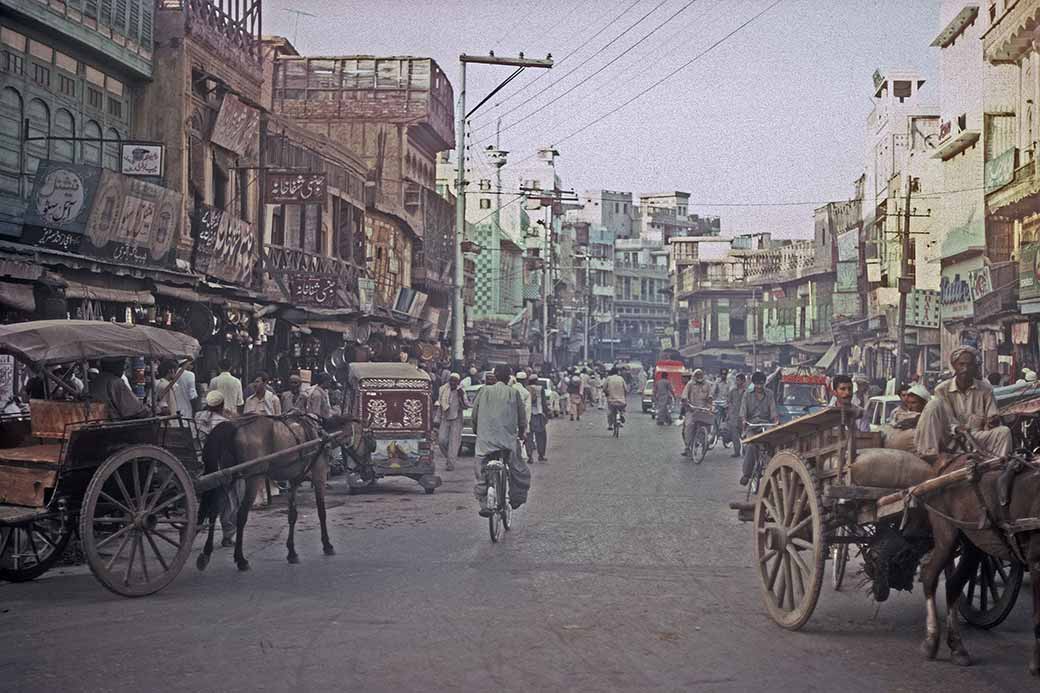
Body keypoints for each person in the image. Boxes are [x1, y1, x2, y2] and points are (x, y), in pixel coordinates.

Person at [915, 346, 1012, 462]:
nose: (965, 369)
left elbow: (992, 414)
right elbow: (947, 419)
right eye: (961, 364)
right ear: (954, 366)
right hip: (951, 438)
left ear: (974, 368)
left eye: (969, 365)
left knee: (1004, 432)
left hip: (976, 437)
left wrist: (993, 420)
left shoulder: (985, 389)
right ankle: (929, 455)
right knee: (933, 404)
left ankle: (997, 465)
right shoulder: (942, 389)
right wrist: (957, 428)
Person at [471, 364, 530, 517]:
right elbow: (522, 418)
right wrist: (523, 433)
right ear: (509, 377)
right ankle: (516, 499)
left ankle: (484, 503)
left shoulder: (483, 391)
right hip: (507, 442)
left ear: (495, 376)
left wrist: (477, 431)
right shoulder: (514, 393)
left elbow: (474, 415)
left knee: (481, 470)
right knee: (518, 470)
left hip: (485, 441)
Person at [739, 371, 779, 485]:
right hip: (751, 425)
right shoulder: (747, 394)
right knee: (751, 446)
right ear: (754, 384)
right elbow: (743, 411)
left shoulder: (770, 394)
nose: (759, 387)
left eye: (761, 384)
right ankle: (746, 474)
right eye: (757, 384)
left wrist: (775, 420)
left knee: (773, 445)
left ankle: (772, 471)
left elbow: (773, 410)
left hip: (766, 424)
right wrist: (744, 421)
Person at [436, 373, 469, 471]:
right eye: (451, 380)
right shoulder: (443, 390)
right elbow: (440, 406)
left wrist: (461, 396)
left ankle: (451, 463)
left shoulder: (461, 391)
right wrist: (437, 419)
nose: (453, 383)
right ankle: (449, 457)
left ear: (458, 382)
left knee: (454, 443)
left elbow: (465, 406)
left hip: (456, 419)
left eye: (455, 381)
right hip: (445, 418)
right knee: (441, 440)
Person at [681, 369, 714, 457]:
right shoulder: (690, 384)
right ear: (694, 376)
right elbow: (684, 396)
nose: (699, 376)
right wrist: (686, 403)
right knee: (689, 427)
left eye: (700, 375)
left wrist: (710, 404)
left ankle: (704, 444)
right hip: (692, 410)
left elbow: (710, 396)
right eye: (697, 375)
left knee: (707, 426)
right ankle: (687, 447)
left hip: (703, 409)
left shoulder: (707, 384)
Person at [527, 374, 549, 463]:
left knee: (529, 437)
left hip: (528, 415)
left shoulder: (526, 388)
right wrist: (546, 414)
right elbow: (544, 402)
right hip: (539, 414)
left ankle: (530, 456)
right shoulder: (540, 389)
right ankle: (541, 455)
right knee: (541, 436)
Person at [512, 372, 533, 462]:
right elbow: (527, 411)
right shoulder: (526, 393)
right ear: (525, 381)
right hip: (520, 422)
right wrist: (526, 427)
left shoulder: (509, 389)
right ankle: (528, 456)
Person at [726, 372, 747, 458]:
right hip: (733, 416)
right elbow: (729, 402)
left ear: (743, 381)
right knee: (734, 435)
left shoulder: (748, 392)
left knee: (744, 435)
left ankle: (745, 451)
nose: (736, 382)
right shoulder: (732, 391)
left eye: (738, 380)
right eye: (736, 380)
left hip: (743, 416)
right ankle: (736, 451)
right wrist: (728, 414)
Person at [602, 366, 629, 432]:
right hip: (621, 400)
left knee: (610, 412)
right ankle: (621, 416)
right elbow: (626, 389)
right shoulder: (621, 378)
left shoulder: (608, 378)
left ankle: (610, 425)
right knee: (622, 409)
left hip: (611, 400)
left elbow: (604, 388)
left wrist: (606, 393)